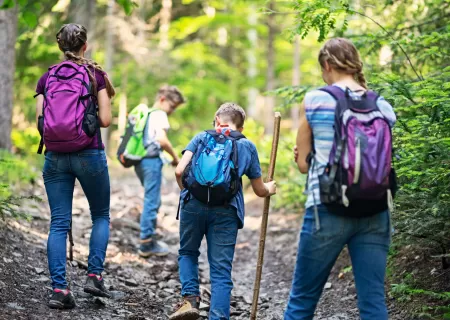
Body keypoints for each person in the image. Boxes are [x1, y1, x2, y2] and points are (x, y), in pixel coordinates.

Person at [284, 38, 397, 320]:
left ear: (327, 65)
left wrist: (305, 152)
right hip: (376, 210)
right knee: (373, 303)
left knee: (301, 303)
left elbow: (302, 164)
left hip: (327, 208)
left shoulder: (315, 99)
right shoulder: (382, 105)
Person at [169, 103, 277, 320]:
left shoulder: (201, 137)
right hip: (227, 211)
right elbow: (259, 190)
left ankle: (190, 300)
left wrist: (189, 194)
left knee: (188, 252)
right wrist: (270, 188)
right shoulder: (246, 145)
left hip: (193, 205)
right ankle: (218, 316)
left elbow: (179, 170)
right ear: (241, 127)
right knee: (220, 269)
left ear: (217, 120)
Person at [35, 24, 116, 309]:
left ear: (60, 46)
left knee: (58, 223)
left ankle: (59, 290)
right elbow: (105, 121)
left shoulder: (47, 77)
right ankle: (94, 275)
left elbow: (41, 122)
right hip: (89, 154)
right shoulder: (96, 75)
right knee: (101, 216)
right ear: (85, 46)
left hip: (54, 157)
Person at [135, 86, 185, 257]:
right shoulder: (159, 114)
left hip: (141, 161)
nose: (172, 111)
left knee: (151, 198)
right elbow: (162, 140)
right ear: (163, 99)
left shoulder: (148, 113)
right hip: (151, 162)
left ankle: (148, 236)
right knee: (152, 201)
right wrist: (175, 157)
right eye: (172, 106)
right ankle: (146, 243)